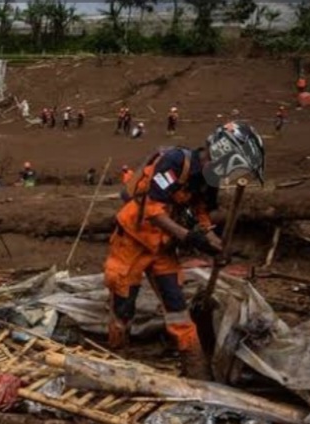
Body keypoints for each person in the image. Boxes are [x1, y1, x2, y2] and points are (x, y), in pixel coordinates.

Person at [103, 121, 265, 380]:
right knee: (123, 306)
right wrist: (190, 237)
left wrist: (214, 242)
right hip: (132, 242)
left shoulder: (209, 180)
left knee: (177, 306)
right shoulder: (175, 161)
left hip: (164, 247)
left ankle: (196, 372)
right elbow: (153, 211)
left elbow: (200, 214)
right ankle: (117, 363)